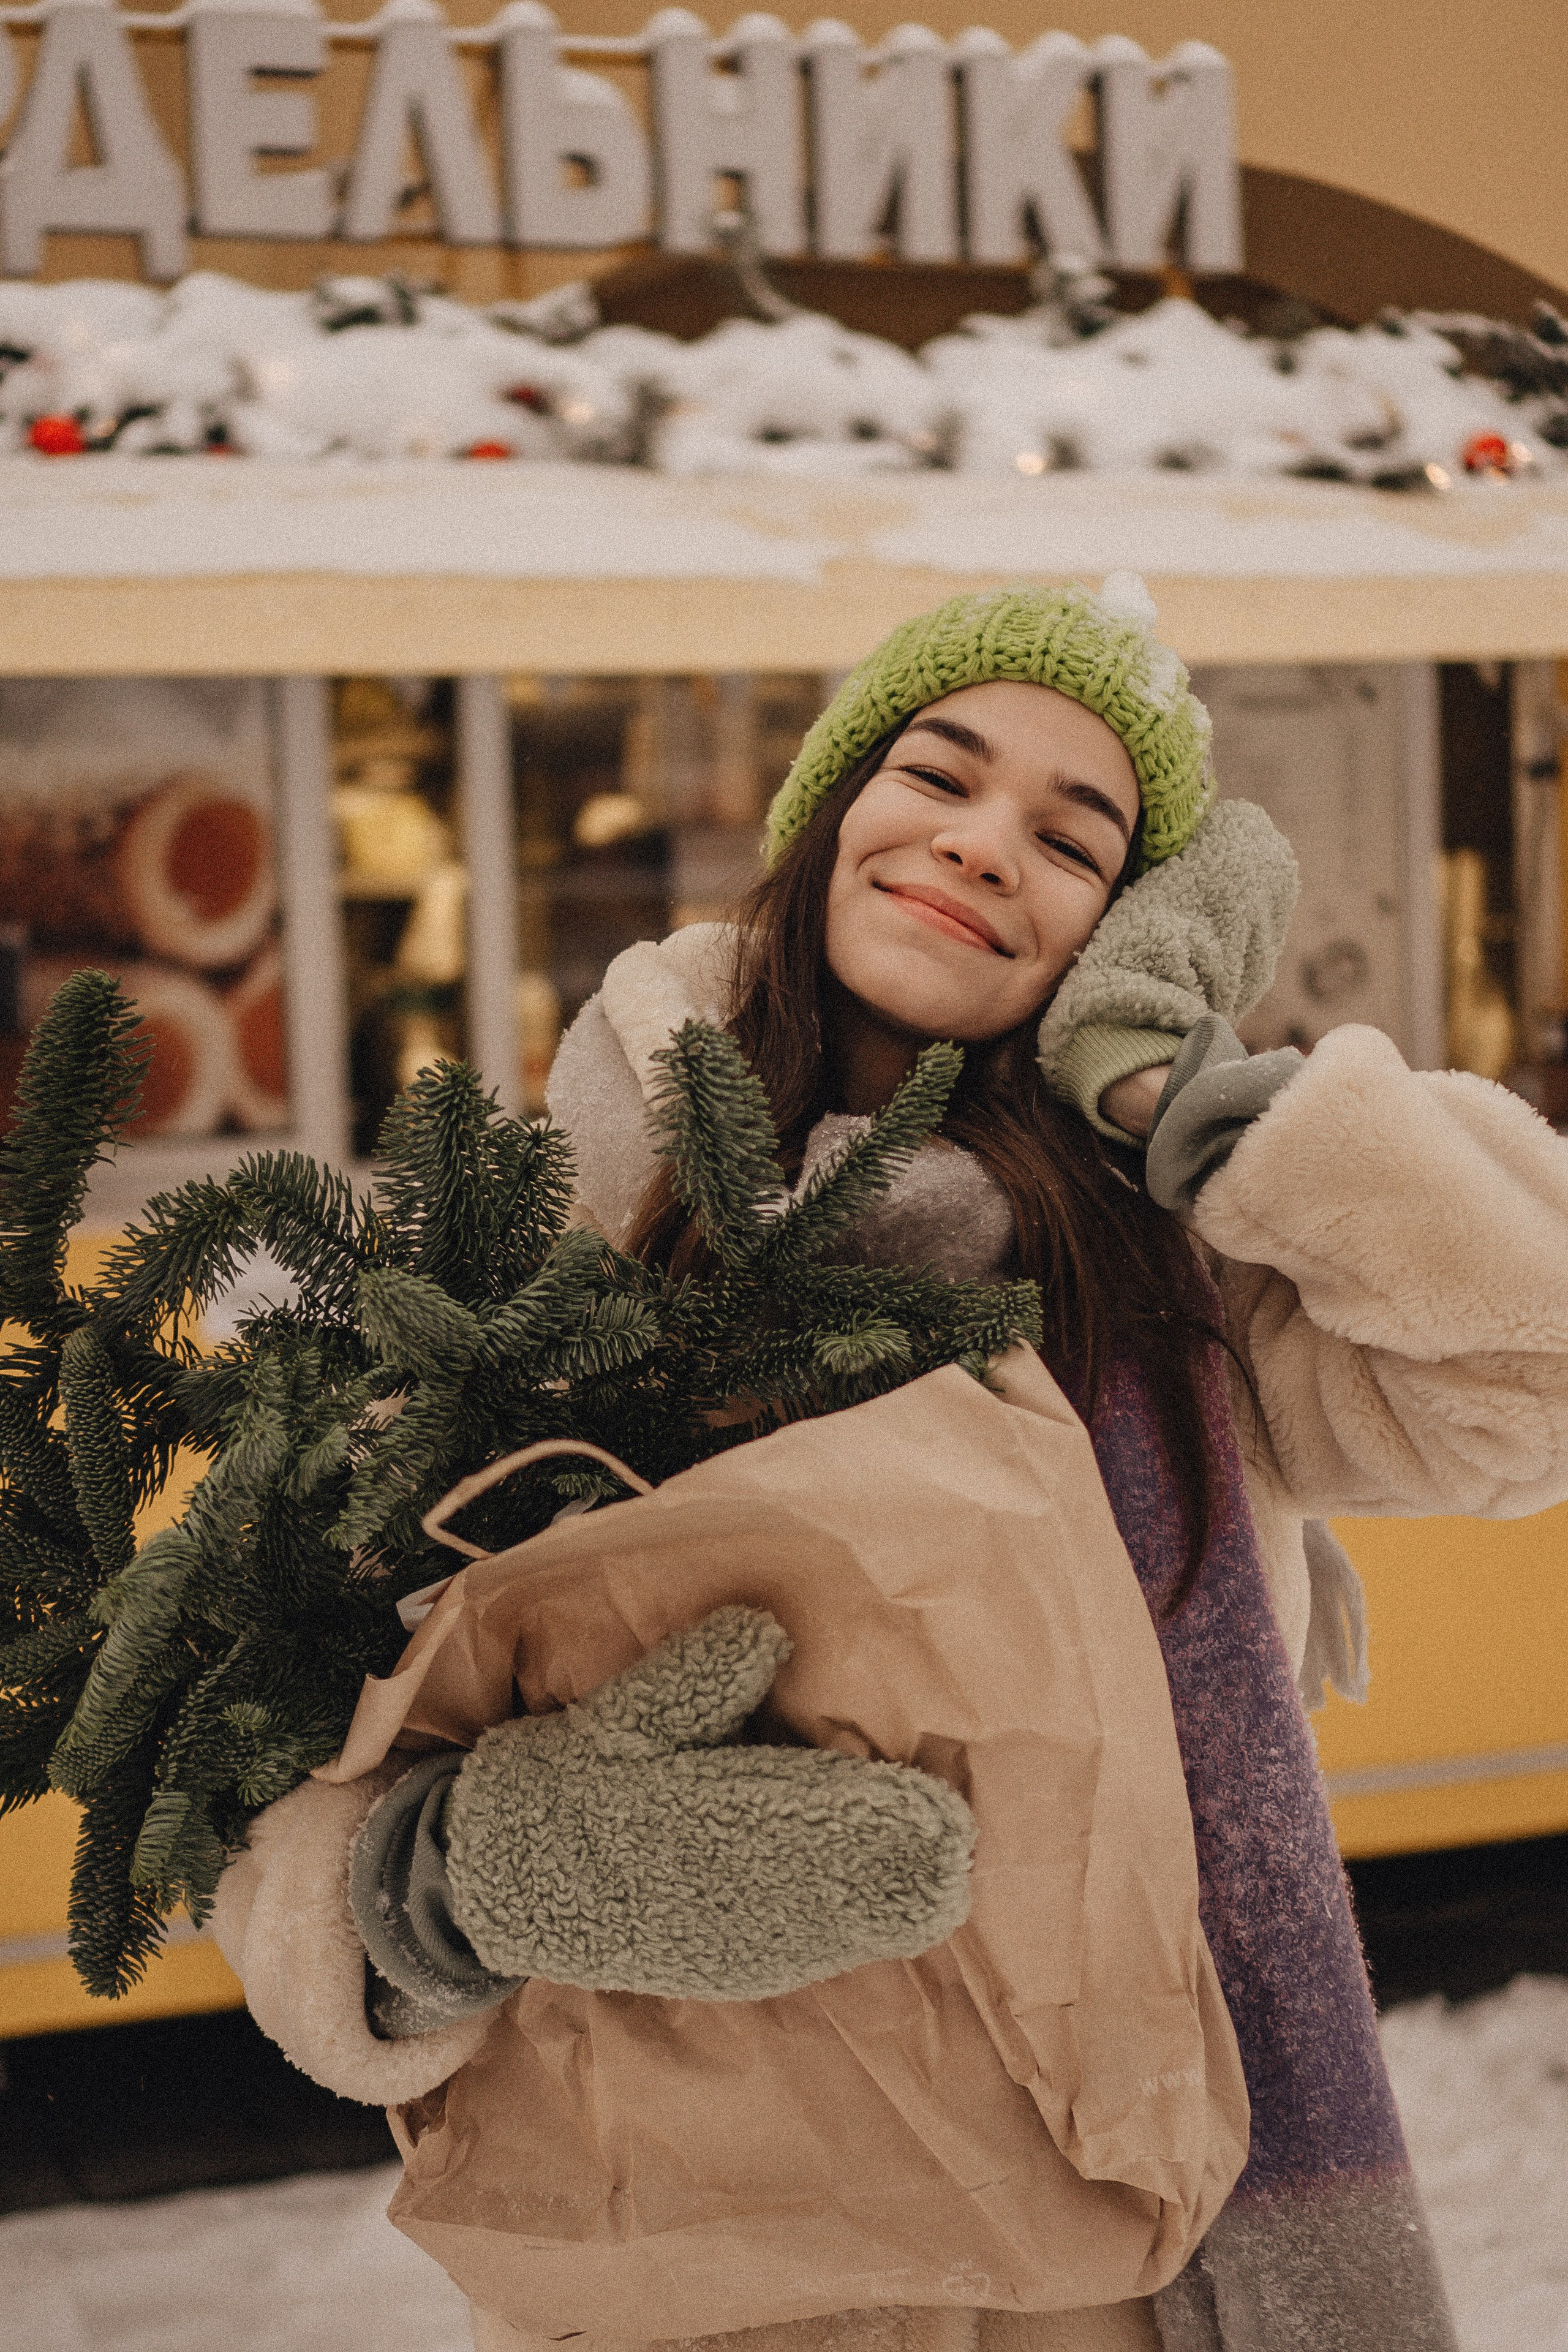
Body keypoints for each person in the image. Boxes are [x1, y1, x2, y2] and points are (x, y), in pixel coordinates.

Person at [216, 580, 1568, 2352]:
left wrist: (1184, 1097)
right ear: (836, 806)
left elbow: (1528, 1362)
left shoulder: (1165, 1282)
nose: (986, 845)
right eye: (940, 772)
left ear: (1125, 927)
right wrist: (445, 1878)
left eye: (1076, 843)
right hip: (705, 2259)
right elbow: (254, 1739)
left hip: (1132, 2267)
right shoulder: (557, 1233)